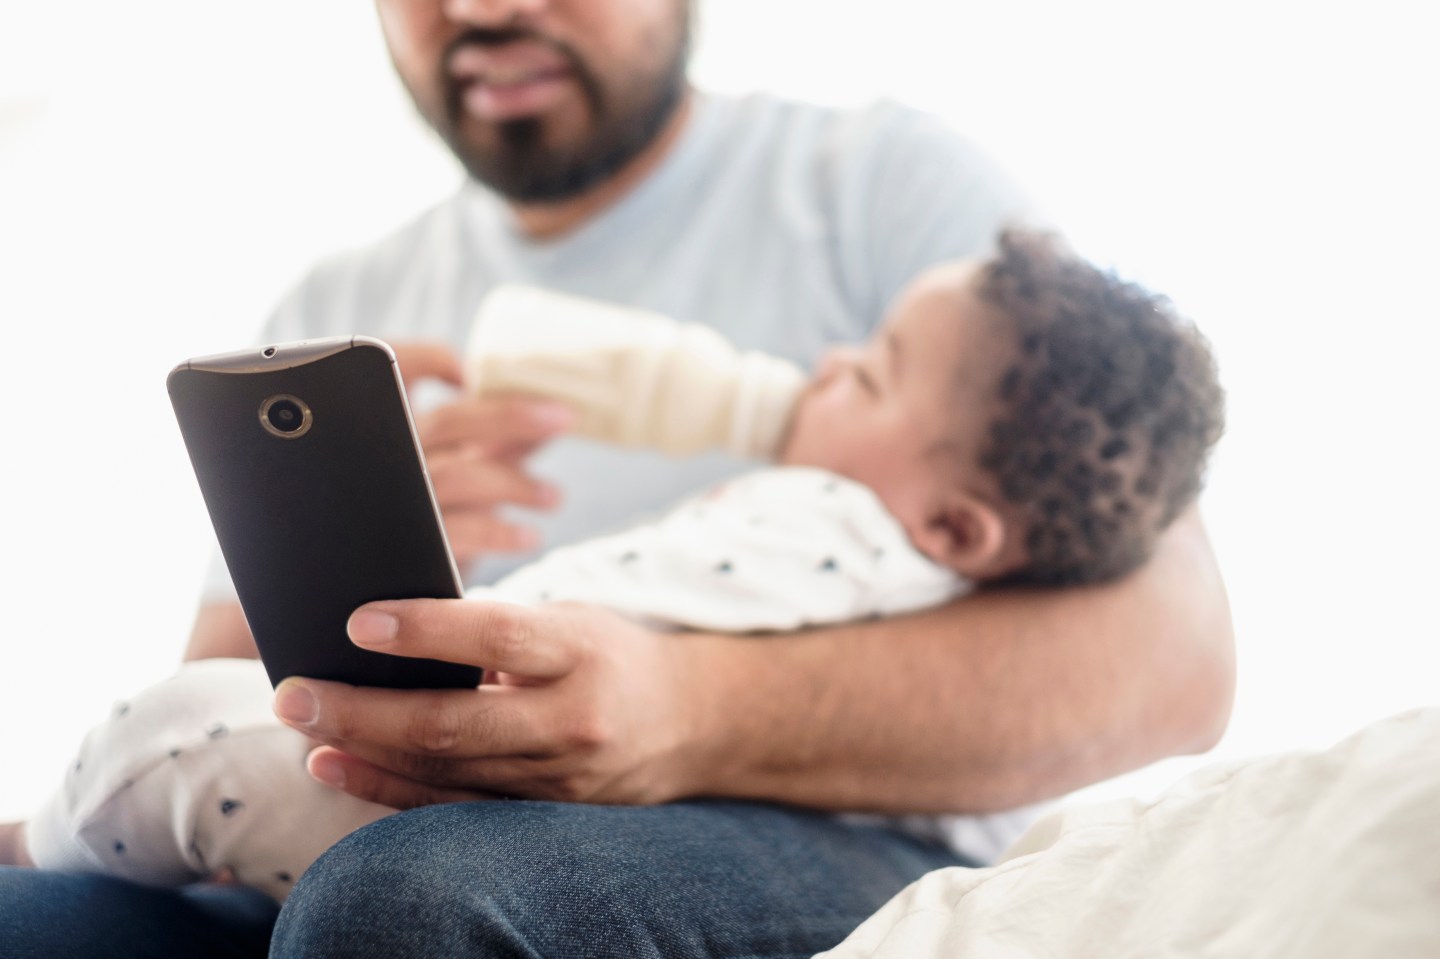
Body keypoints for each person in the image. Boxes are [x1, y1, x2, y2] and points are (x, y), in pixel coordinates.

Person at [0, 2, 1235, 956]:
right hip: (367, 807)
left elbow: (1176, 663)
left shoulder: (884, 189)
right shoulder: (341, 312)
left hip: (827, 826)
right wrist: (324, 557)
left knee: (414, 901)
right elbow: (211, 698)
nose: (482, 8)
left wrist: (679, 705)